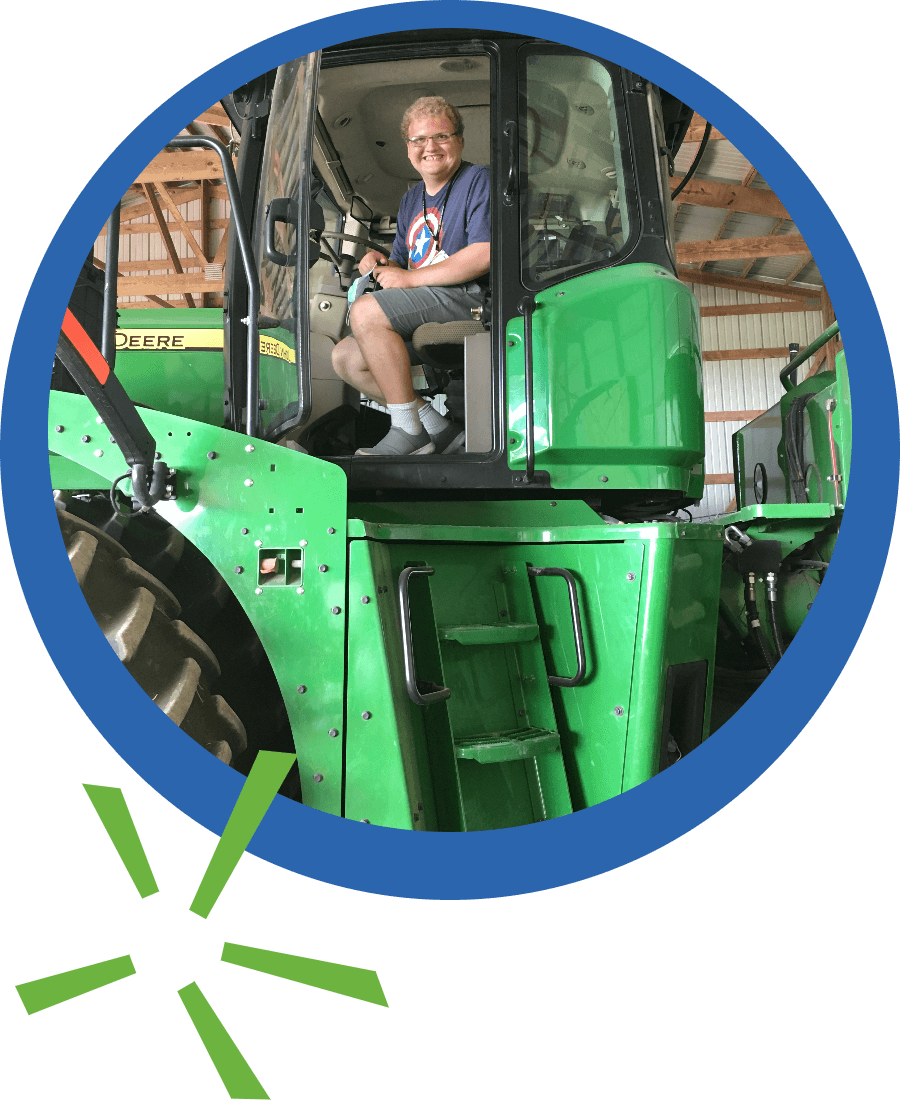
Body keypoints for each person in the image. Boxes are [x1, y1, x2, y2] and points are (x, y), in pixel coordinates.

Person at [331, 96, 490, 456]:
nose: (430, 147)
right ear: (408, 149)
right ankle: (441, 432)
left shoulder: (478, 180)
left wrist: (409, 280)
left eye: (442, 137)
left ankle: (407, 429)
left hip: (471, 299)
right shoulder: (411, 199)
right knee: (345, 357)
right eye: (419, 140)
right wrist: (379, 262)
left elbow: (484, 254)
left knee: (367, 311)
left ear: (460, 141)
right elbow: (401, 265)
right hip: (429, 301)